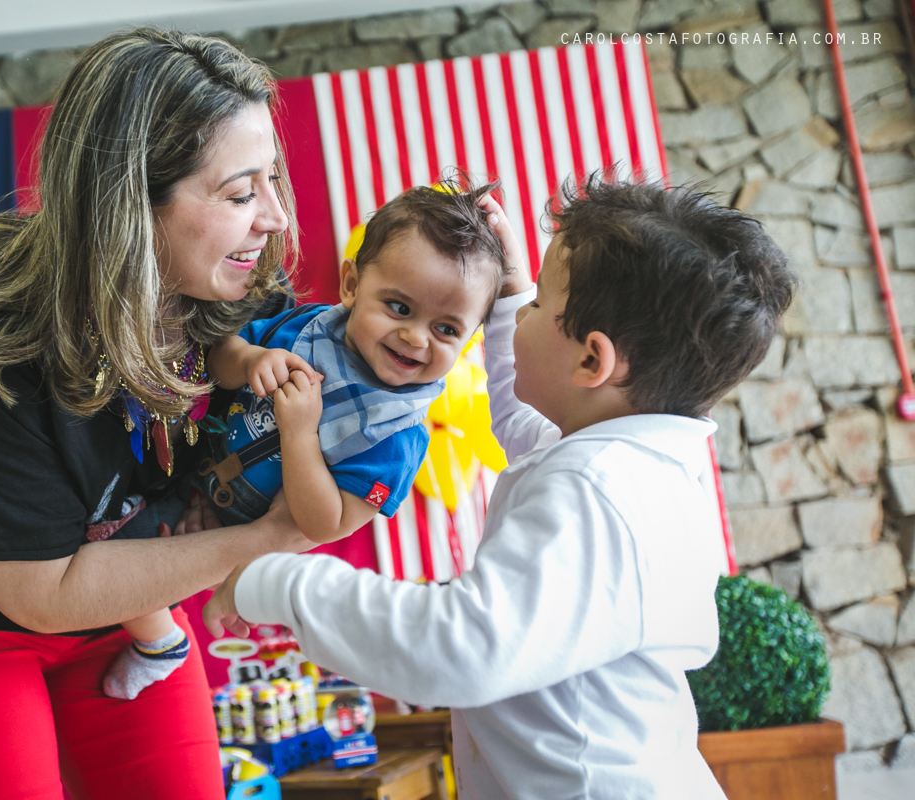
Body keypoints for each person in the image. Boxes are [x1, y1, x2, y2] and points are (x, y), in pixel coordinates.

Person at [205, 174, 797, 799]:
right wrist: (515, 285)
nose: (516, 315)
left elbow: (456, 649)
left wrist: (270, 579)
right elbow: (524, 420)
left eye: (538, 303)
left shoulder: (595, 490)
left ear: (592, 362)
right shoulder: (634, 463)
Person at [0, 29, 313, 800]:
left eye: (272, 180)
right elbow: (42, 591)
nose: (272, 216)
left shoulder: (235, 296)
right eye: (240, 193)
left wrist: (498, 302)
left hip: (135, 611)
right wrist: (266, 538)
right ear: (130, 201)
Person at [104, 181, 510, 700]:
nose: (415, 337)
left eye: (447, 329)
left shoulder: (395, 437)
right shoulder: (307, 328)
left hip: (242, 536)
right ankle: (157, 621)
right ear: (351, 284)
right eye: (399, 308)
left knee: (138, 560)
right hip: (189, 470)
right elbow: (222, 353)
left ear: (473, 337)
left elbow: (326, 523)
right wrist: (249, 362)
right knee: (109, 543)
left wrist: (299, 435)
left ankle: (161, 641)